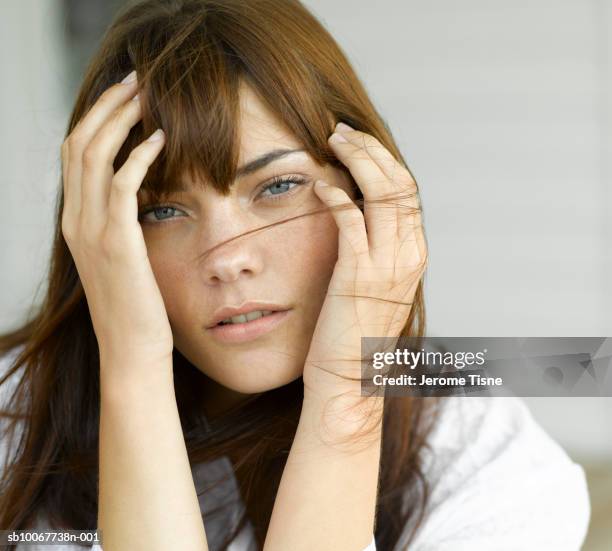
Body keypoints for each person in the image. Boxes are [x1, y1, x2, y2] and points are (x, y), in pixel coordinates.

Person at [0, 1, 590, 550]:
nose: (228, 258)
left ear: (370, 190)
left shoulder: (486, 461)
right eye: (161, 210)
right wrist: (132, 367)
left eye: (278, 187)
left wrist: (347, 390)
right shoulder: (13, 423)